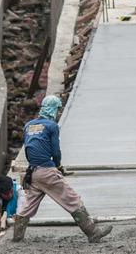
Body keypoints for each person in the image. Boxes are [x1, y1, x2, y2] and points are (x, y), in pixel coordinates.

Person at [12, 95, 111, 243]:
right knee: (72, 200)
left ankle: (17, 236)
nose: (58, 113)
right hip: (47, 171)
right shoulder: (52, 126)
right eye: (58, 109)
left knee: (28, 206)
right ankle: (92, 232)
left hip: (33, 172)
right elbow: (55, 151)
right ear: (53, 109)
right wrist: (58, 166)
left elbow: (29, 148)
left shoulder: (29, 126)